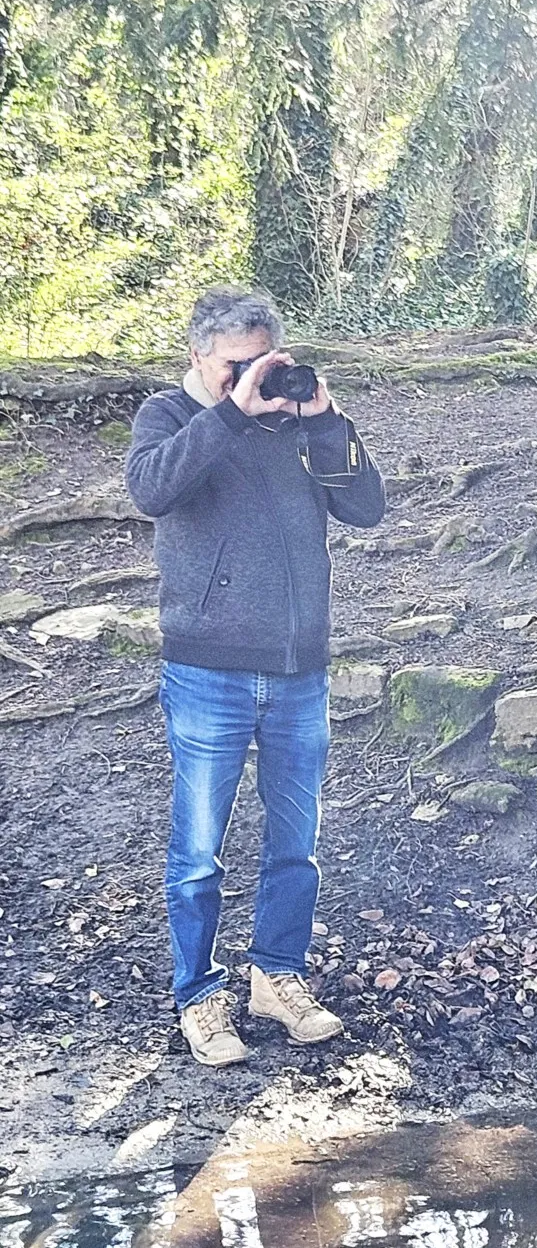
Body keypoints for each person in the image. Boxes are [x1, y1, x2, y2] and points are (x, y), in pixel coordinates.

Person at [125, 286, 386, 1066]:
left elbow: (366, 507)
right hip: (208, 668)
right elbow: (151, 489)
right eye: (236, 365)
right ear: (199, 355)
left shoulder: (295, 419)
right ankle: (198, 997)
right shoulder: (169, 416)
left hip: (299, 668)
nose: (253, 378)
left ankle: (277, 976)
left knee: (295, 844)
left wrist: (325, 420)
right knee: (199, 853)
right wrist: (231, 413)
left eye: (264, 362)